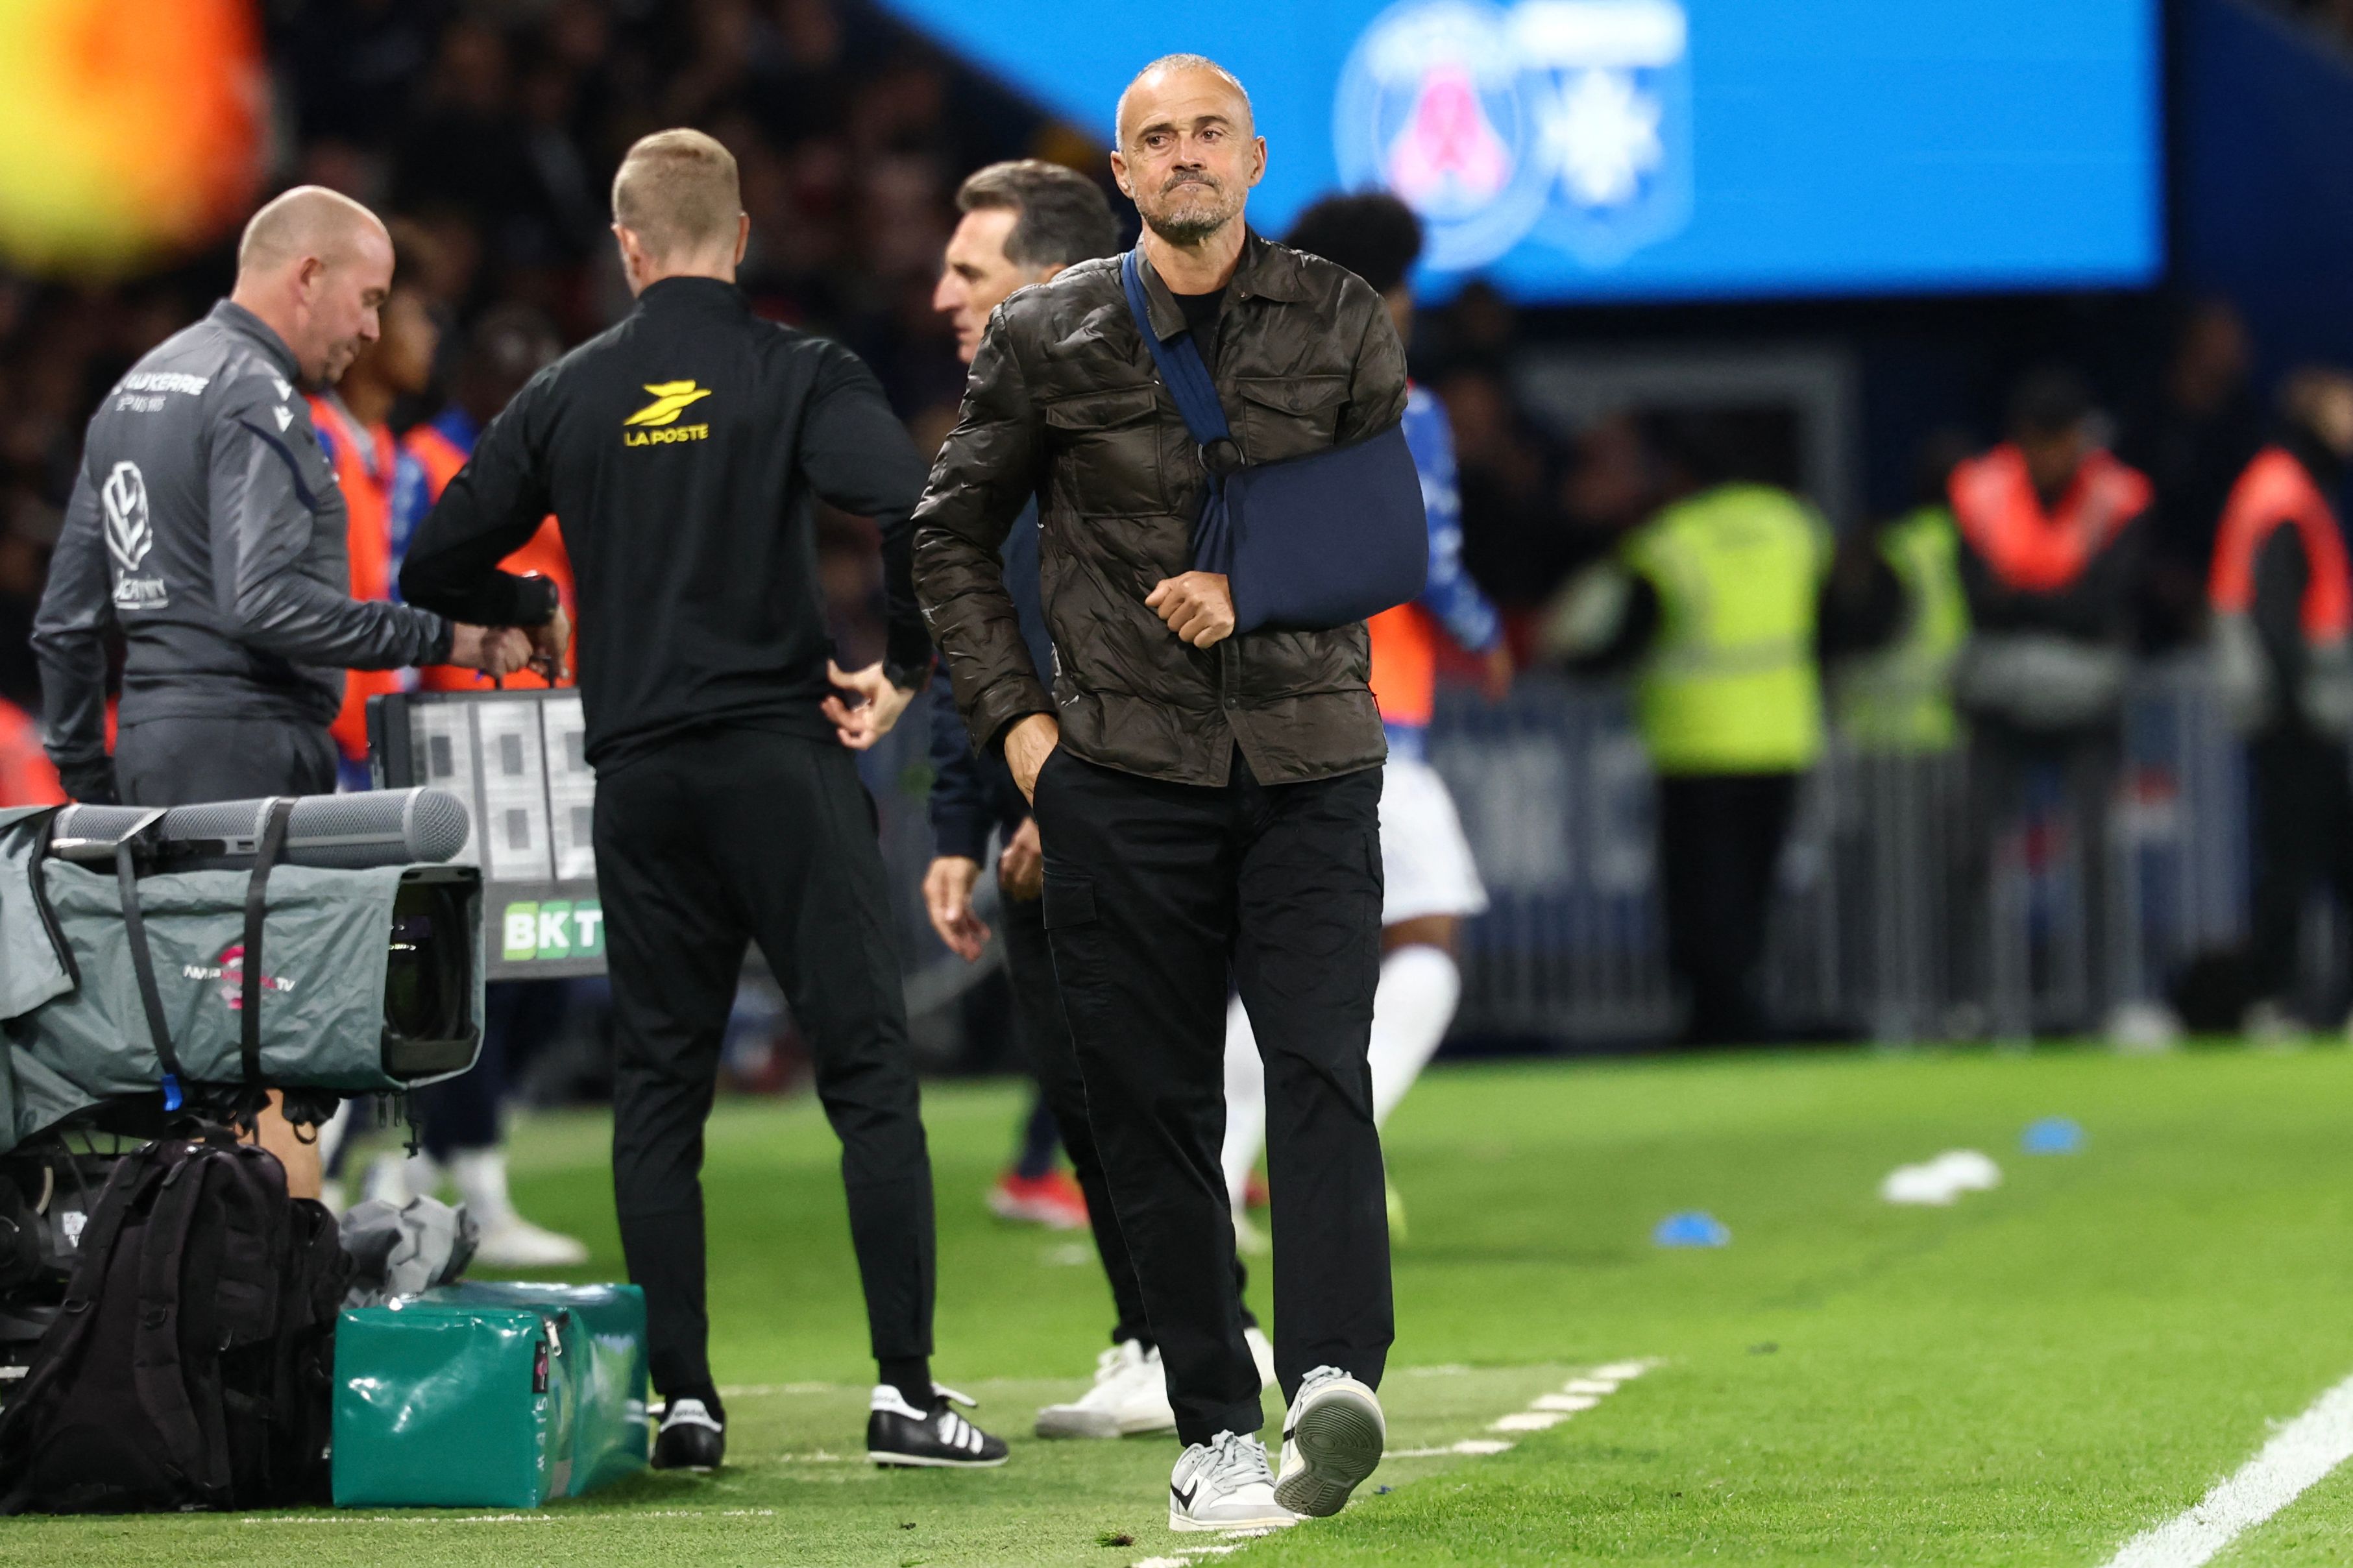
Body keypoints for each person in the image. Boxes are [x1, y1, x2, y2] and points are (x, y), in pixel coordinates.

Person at [400, 128, 1007, 1475]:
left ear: (626, 246)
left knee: (657, 1091)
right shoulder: (794, 368)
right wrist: (904, 658)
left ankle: (685, 1401)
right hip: (776, 764)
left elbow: (436, 552)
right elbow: (912, 502)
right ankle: (904, 1392)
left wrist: (526, 602)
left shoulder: (568, 390)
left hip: (640, 779)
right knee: (864, 1070)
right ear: (740, 237)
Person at [914, 55, 1401, 1531]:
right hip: (1120, 775)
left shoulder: (1342, 314)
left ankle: (1330, 1376)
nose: (1185, 159)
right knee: (1154, 1109)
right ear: (1120, 175)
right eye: (1155, 141)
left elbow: (1383, 532)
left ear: (1252, 158)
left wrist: (1245, 586)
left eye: (1208, 135)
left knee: (1321, 1069)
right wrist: (1020, 738)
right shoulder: (1045, 332)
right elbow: (949, 539)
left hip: (1312, 759)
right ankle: (1214, 1430)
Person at [29, 186, 528, 1199]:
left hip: (154, 767)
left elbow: (66, 625)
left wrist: (100, 793)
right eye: (369, 298)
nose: (372, 329)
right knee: (276, 1068)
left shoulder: (134, 391)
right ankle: (278, 1322)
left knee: (194, 1067)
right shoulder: (257, 395)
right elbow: (267, 604)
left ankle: (200, 1311)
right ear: (308, 275)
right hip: (252, 759)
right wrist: (448, 635)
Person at [918, 158, 1274, 1441]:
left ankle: (1199, 1332)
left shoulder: (1126, 412)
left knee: (1141, 1087)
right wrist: (965, 823)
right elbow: (985, 632)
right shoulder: (1008, 417)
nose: (944, 294)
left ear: (1042, 278)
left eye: (972, 272)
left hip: (1117, 804)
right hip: (1041, 807)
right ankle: (1164, 1329)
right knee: (1085, 1089)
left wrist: (1062, 787)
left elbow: (1144, 625)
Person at [1219, 191, 1511, 1247]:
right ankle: (1333, 1145)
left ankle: (1222, 1168)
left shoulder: (1239, 387)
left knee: (1277, 950)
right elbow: (1427, 558)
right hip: (1370, 710)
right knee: (1425, 935)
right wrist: (1486, 634)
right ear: (1387, 291)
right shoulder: (1400, 401)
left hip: (1243, 703)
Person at [376, 305, 589, 1268]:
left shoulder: (556, 471)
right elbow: (401, 591)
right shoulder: (421, 461)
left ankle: (416, 1169)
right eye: (513, 378)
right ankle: (473, 1184)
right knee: (471, 973)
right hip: (453, 748)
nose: (529, 396)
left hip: (549, 739)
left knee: (556, 974)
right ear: (474, 383)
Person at [1541, 412, 1844, 1045]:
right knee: (1756, 884)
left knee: (1701, 892)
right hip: (1780, 736)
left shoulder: (1669, 539)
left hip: (1695, 744)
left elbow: (1625, 638)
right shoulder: (1794, 525)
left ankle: (1718, 1016)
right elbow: (1837, 618)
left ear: (1677, 472)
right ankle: (1747, 1005)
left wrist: (1567, 662)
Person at [1947, 368, 2153, 1043]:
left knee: (2095, 853)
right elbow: (1978, 601)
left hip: (2087, 697)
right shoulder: (1978, 491)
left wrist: (2025, 599)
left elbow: (2104, 605)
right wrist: (2059, 602)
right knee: (1974, 848)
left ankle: (2104, 1001)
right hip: (1999, 698)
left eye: (2060, 441)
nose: (2050, 457)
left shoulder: (2118, 495)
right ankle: (1969, 1004)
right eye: (2038, 442)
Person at [2207, 369, 2353, 1035]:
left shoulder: (2285, 485)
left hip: (2299, 708)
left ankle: (2315, 1001)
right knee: (2294, 861)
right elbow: (2273, 610)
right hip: (2297, 715)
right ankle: (2279, 1000)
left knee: (2319, 859)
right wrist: (2305, 700)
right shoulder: (2282, 490)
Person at [310, 276, 438, 787]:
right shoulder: (306, 440)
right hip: (317, 741)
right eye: (417, 316)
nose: (431, 335)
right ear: (368, 329)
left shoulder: (403, 462)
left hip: (384, 741)